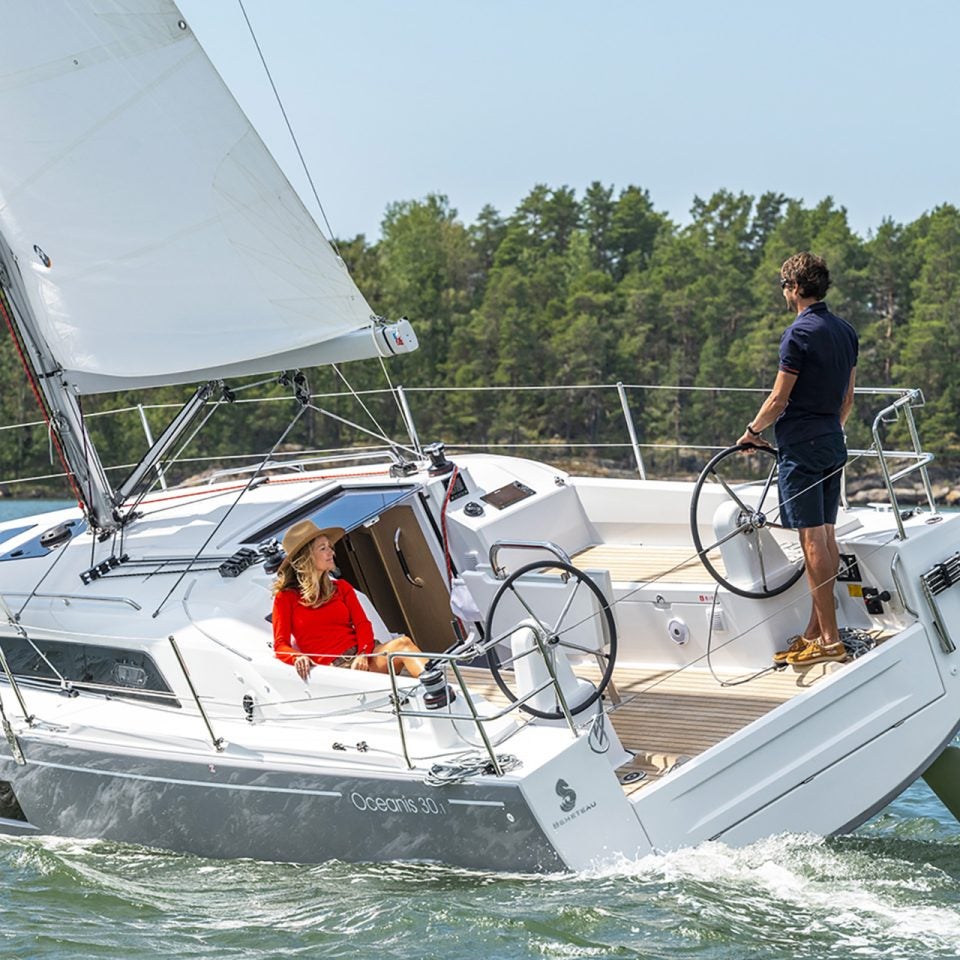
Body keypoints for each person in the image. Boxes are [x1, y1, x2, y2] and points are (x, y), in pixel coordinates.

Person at [736, 252, 858, 667]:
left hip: (802, 447)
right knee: (826, 535)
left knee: (811, 540)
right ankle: (815, 630)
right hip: (831, 440)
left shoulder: (797, 334)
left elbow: (778, 399)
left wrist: (752, 432)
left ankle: (829, 638)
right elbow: (847, 400)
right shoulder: (846, 331)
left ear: (793, 288)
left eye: (784, 287)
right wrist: (827, 429)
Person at [272, 519, 426, 679]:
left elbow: (362, 624)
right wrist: (296, 657)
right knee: (402, 646)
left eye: (329, 547)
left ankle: (439, 689)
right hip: (336, 670)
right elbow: (280, 644)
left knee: (403, 643)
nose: (331, 552)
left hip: (363, 654)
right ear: (307, 557)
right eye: (323, 548)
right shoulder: (285, 598)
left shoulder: (342, 587)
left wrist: (363, 654)